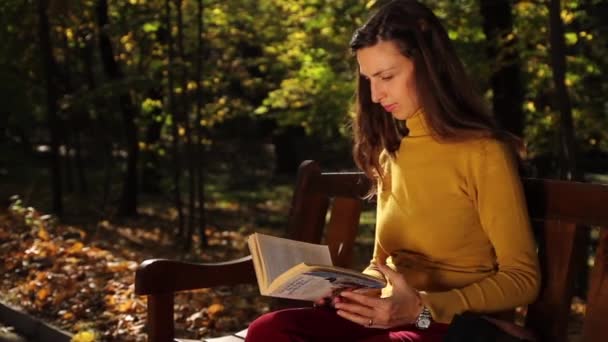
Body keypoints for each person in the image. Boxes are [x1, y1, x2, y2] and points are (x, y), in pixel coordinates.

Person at [245, 0, 540, 341]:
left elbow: (523, 278)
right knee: (269, 330)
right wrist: (353, 292)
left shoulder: (484, 152)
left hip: (440, 322)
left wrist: (421, 308)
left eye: (386, 76)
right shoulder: (391, 154)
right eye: (368, 79)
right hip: (388, 318)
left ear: (429, 67)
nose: (374, 94)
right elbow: (381, 265)